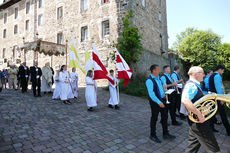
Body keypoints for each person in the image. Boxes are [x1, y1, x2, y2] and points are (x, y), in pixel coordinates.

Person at [181, 66, 220, 153]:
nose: (204, 75)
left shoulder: (195, 85)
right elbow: (185, 100)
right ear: (196, 74)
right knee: (214, 149)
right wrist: (199, 114)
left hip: (196, 122)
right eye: (202, 73)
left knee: (192, 147)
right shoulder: (191, 85)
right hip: (199, 121)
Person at [145, 64, 176, 143]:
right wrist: (159, 102)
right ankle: (152, 135)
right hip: (155, 102)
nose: (160, 71)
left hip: (163, 100)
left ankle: (165, 133)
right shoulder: (149, 80)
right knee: (154, 118)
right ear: (154, 71)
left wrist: (164, 91)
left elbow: (160, 89)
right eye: (158, 70)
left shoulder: (158, 79)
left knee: (165, 117)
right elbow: (151, 94)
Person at [209, 65, 230, 136]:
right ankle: (228, 131)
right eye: (223, 70)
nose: (223, 72)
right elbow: (219, 89)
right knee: (223, 114)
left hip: (212, 97)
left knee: (212, 113)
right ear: (220, 69)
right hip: (217, 98)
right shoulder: (217, 76)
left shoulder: (211, 75)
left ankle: (211, 128)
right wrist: (222, 99)